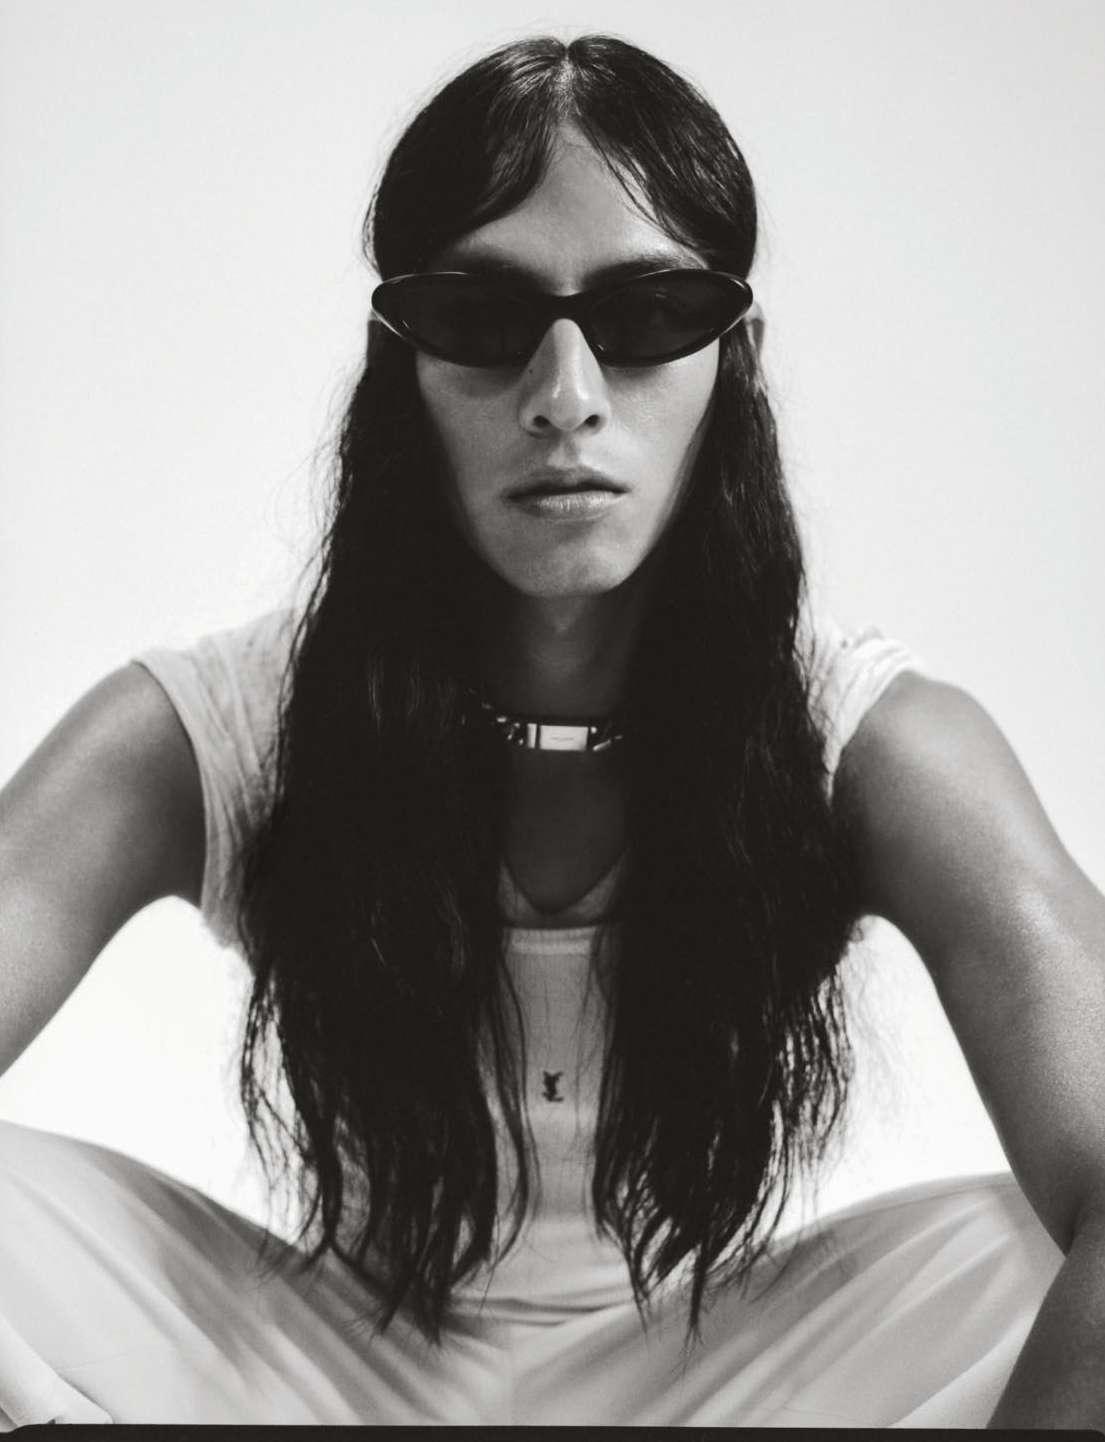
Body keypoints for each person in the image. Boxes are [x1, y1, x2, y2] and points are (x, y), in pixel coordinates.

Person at [0, 32, 1102, 1429]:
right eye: (480, 314)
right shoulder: (215, 729)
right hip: (316, 1381)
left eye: (648, 314)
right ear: (399, 362)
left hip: (729, 1383)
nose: (565, 393)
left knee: (1038, 1249)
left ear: (736, 357)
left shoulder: (873, 748)